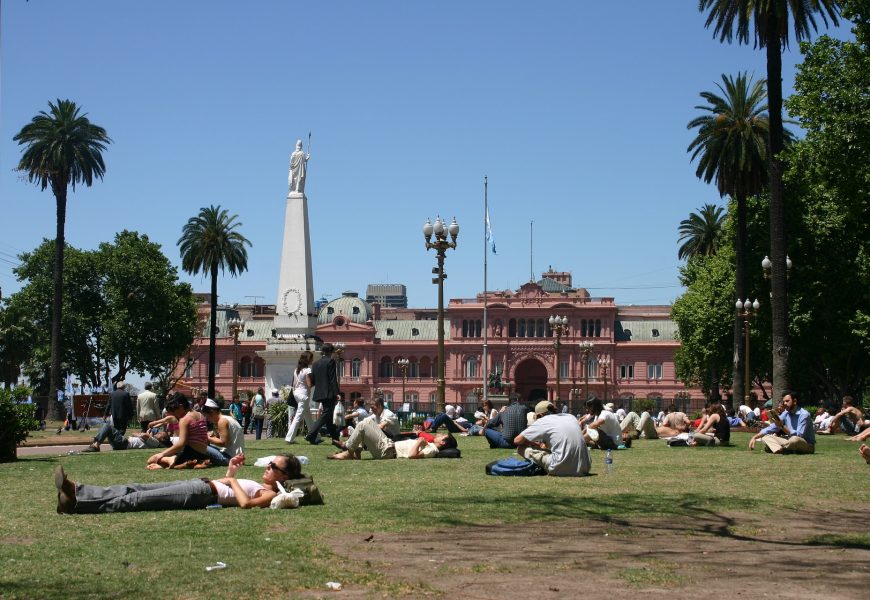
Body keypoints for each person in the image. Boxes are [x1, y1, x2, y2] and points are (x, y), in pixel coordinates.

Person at [54, 452, 302, 513]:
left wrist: (232, 480)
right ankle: (76, 492)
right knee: (135, 488)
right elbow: (232, 485)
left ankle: (77, 502)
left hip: (202, 494)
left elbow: (246, 504)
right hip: (200, 483)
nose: (268, 467)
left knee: (138, 500)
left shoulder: (270, 494)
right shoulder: (263, 482)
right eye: (270, 463)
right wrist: (232, 471)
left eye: (273, 467)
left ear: (284, 477)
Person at [514, 401, 591, 477]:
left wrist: (533, 444)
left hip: (559, 467)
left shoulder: (542, 421)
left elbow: (517, 440)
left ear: (540, 415)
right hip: (584, 467)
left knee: (521, 448)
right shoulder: (571, 417)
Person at [327, 417, 456, 460]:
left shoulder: (432, 450)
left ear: (443, 442)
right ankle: (355, 449)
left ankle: (348, 448)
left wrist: (419, 442)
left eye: (441, 435)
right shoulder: (432, 445)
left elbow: (411, 456)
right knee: (368, 421)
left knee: (362, 425)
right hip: (389, 445)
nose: (438, 435)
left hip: (388, 451)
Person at [146, 395, 211, 468]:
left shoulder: (185, 419)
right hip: (202, 453)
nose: (174, 415)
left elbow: (181, 444)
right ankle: (191, 463)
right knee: (166, 457)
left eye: (174, 412)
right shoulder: (200, 415)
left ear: (181, 406)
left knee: (151, 460)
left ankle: (172, 462)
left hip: (190, 452)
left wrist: (162, 454)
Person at [748, 391, 815, 454]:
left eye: (787, 401)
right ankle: (780, 450)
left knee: (794, 439)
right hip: (789, 441)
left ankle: (779, 448)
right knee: (766, 437)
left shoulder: (804, 415)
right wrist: (755, 437)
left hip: (805, 444)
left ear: (794, 401)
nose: (785, 403)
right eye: (784, 401)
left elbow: (799, 435)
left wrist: (782, 426)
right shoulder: (786, 413)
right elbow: (772, 427)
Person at [81, 381, 134, 452]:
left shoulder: (112, 394)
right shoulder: (126, 394)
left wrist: (105, 414)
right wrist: (131, 416)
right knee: (121, 431)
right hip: (123, 416)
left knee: (113, 428)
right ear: (123, 387)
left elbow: (108, 405)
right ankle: (116, 442)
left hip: (114, 416)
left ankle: (97, 443)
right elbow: (129, 406)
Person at [305, 344, 342, 444]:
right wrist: (337, 392)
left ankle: (335, 439)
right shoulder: (330, 361)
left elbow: (313, 380)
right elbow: (332, 378)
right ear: (330, 352)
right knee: (326, 414)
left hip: (320, 392)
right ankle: (311, 434)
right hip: (328, 393)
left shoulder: (315, 364)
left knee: (329, 418)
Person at [202, 398, 245, 466]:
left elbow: (224, 443)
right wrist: (213, 436)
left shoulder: (221, 421)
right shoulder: (227, 418)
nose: (208, 420)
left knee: (200, 446)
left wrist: (207, 437)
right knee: (208, 446)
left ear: (212, 412)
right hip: (237, 457)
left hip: (230, 458)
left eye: (207, 417)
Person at [285, 351, 315, 443]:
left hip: (297, 394)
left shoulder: (296, 370)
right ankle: (289, 438)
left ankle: (315, 437)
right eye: (311, 358)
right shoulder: (307, 370)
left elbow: (294, 384)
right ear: (307, 359)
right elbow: (310, 384)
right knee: (298, 417)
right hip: (304, 395)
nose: (312, 360)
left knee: (308, 417)